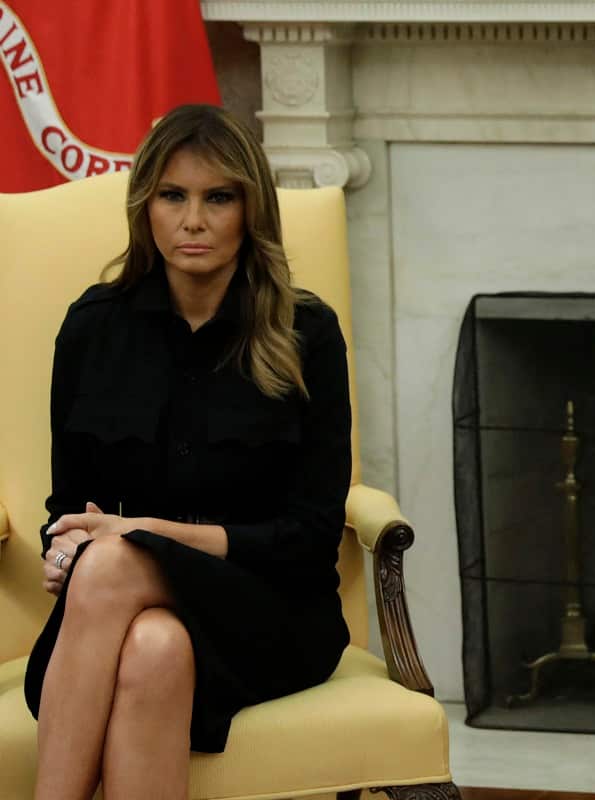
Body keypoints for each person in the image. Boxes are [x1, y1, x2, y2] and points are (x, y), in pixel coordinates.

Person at [24, 104, 352, 800]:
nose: (193, 219)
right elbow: (68, 506)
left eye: (218, 197)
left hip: (270, 616)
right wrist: (65, 552)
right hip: (120, 620)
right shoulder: (93, 327)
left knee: (112, 562)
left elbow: (310, 538)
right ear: (146, 206)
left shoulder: (306, 335)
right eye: (173, 195)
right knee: (152, 648)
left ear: (250, 210)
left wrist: (135, 538)